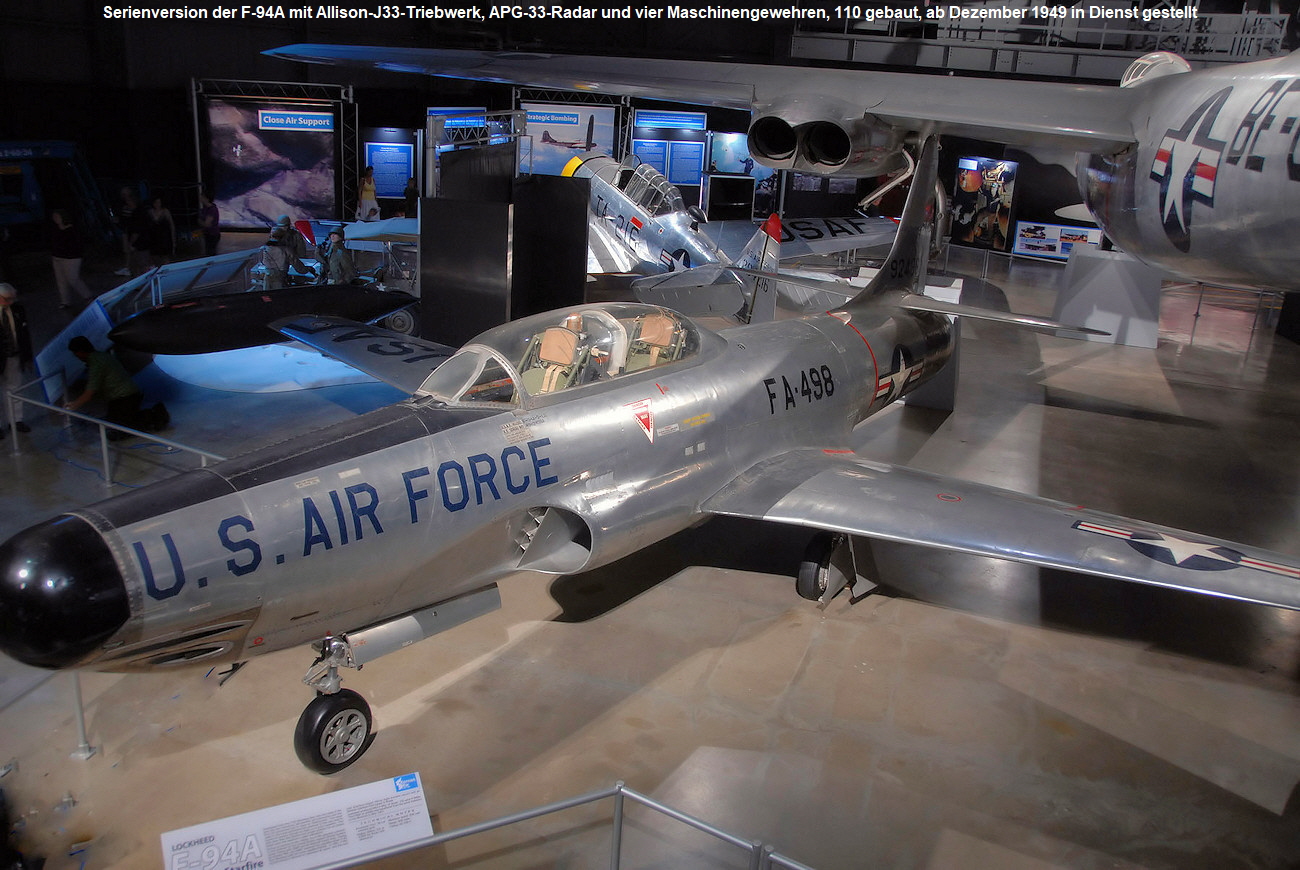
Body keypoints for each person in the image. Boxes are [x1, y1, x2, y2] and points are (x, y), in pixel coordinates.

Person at [64, 336, 168, 440]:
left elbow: (89, 393)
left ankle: (155, 416)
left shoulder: (96, 363)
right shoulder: (101, 356)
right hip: (126, 396)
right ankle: (148, 416)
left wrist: (73, 406)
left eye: (75, 353)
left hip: (125, 398)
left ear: (80, 352)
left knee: (119, 430)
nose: (76, 356)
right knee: (115, 422)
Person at [0, 284, 33, 437]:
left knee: (15, 388)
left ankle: (16, 420)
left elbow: (24, 334)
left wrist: (27, 356)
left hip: (13, 355)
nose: (10, 302)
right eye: (7, 299)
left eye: (12, 298)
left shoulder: (17, 309)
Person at [50, 210, 94, 309]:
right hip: (57, 257)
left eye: (57, 216)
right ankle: (65, 301)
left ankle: (88, 296)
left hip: (71, 257)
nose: (56, 218)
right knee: (61, 280)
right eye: (54, 216)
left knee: (72, 278)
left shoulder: (72, 230)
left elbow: (76, 245)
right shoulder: (56, 229)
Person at [263, 225, 314, 289]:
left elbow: (263, 262)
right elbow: (297, 265)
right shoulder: (286, 249)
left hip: (267, 277)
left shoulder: (265, 248)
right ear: (283, 237)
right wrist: (307, 269)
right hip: (280, 278)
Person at [146, 196, 175, 267]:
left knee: (165, 256)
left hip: (164, 238)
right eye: (156, 202)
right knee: (154, 257)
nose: (157, 204)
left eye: (159, 202)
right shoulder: (150, 212)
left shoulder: (165, 212)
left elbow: (171, 225)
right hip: (154, 238)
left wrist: (173, 239)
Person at [198, 191, 221, 256]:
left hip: (212, 234)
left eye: (202, 196)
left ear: (206, 198)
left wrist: (200, 221)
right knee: (207, 251)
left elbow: (207, 224)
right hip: (207, 234)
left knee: (211, 252)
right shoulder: (205, 208)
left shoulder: (212, 209)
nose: (200, 198)